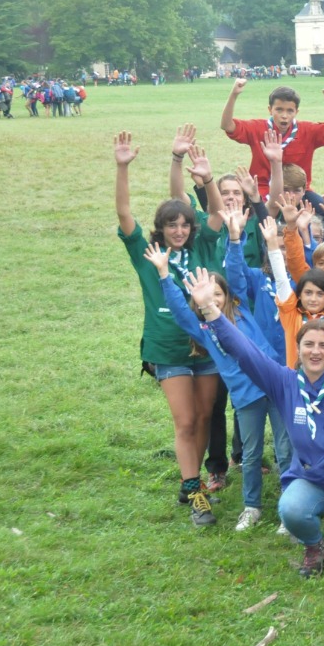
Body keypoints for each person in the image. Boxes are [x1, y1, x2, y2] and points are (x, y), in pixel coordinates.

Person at [186, 252, 324, 576]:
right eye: (308, 344)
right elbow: (245, 351)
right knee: (291, 508)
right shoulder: (283, 382)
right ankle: (315, 545)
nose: (315, 351)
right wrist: (211, 310)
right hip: (317, 478)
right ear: (298, 348)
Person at [147, 220, 294, 532]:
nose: (212, 300)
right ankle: (252, 507)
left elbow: (237, 273)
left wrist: (236, 238)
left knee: (285, 450)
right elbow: (178, 308)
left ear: (229, 296)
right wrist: (163, 274)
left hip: (276, 385)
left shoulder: (242, 311)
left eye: (217, 294)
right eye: (205, 296)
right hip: (246, 397)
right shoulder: (204, 330)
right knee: (251, 455)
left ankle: (288, 508)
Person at [112, 131, 229, 523]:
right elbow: (125, 214)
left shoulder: (202, 246)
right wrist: (122, 167)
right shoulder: (147, 255)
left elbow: (214, 213)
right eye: (171, 226)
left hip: (207, 347)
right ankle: (195, 491)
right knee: (184, 420)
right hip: (167, 349)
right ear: (160, 230)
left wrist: (208, 180)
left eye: (184, 225)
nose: (178, 230)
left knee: (204, 415)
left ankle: (190, 478)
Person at [220, 81, 324, 199]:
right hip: (263, 189)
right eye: (279, 109)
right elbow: (227, 126)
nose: (284, 115)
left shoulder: (308, 130)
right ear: (270, 110)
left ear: (296, 112)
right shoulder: (257, 128)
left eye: (290, 111)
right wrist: (234, 94)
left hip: (298, 190)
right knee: (261, 216)